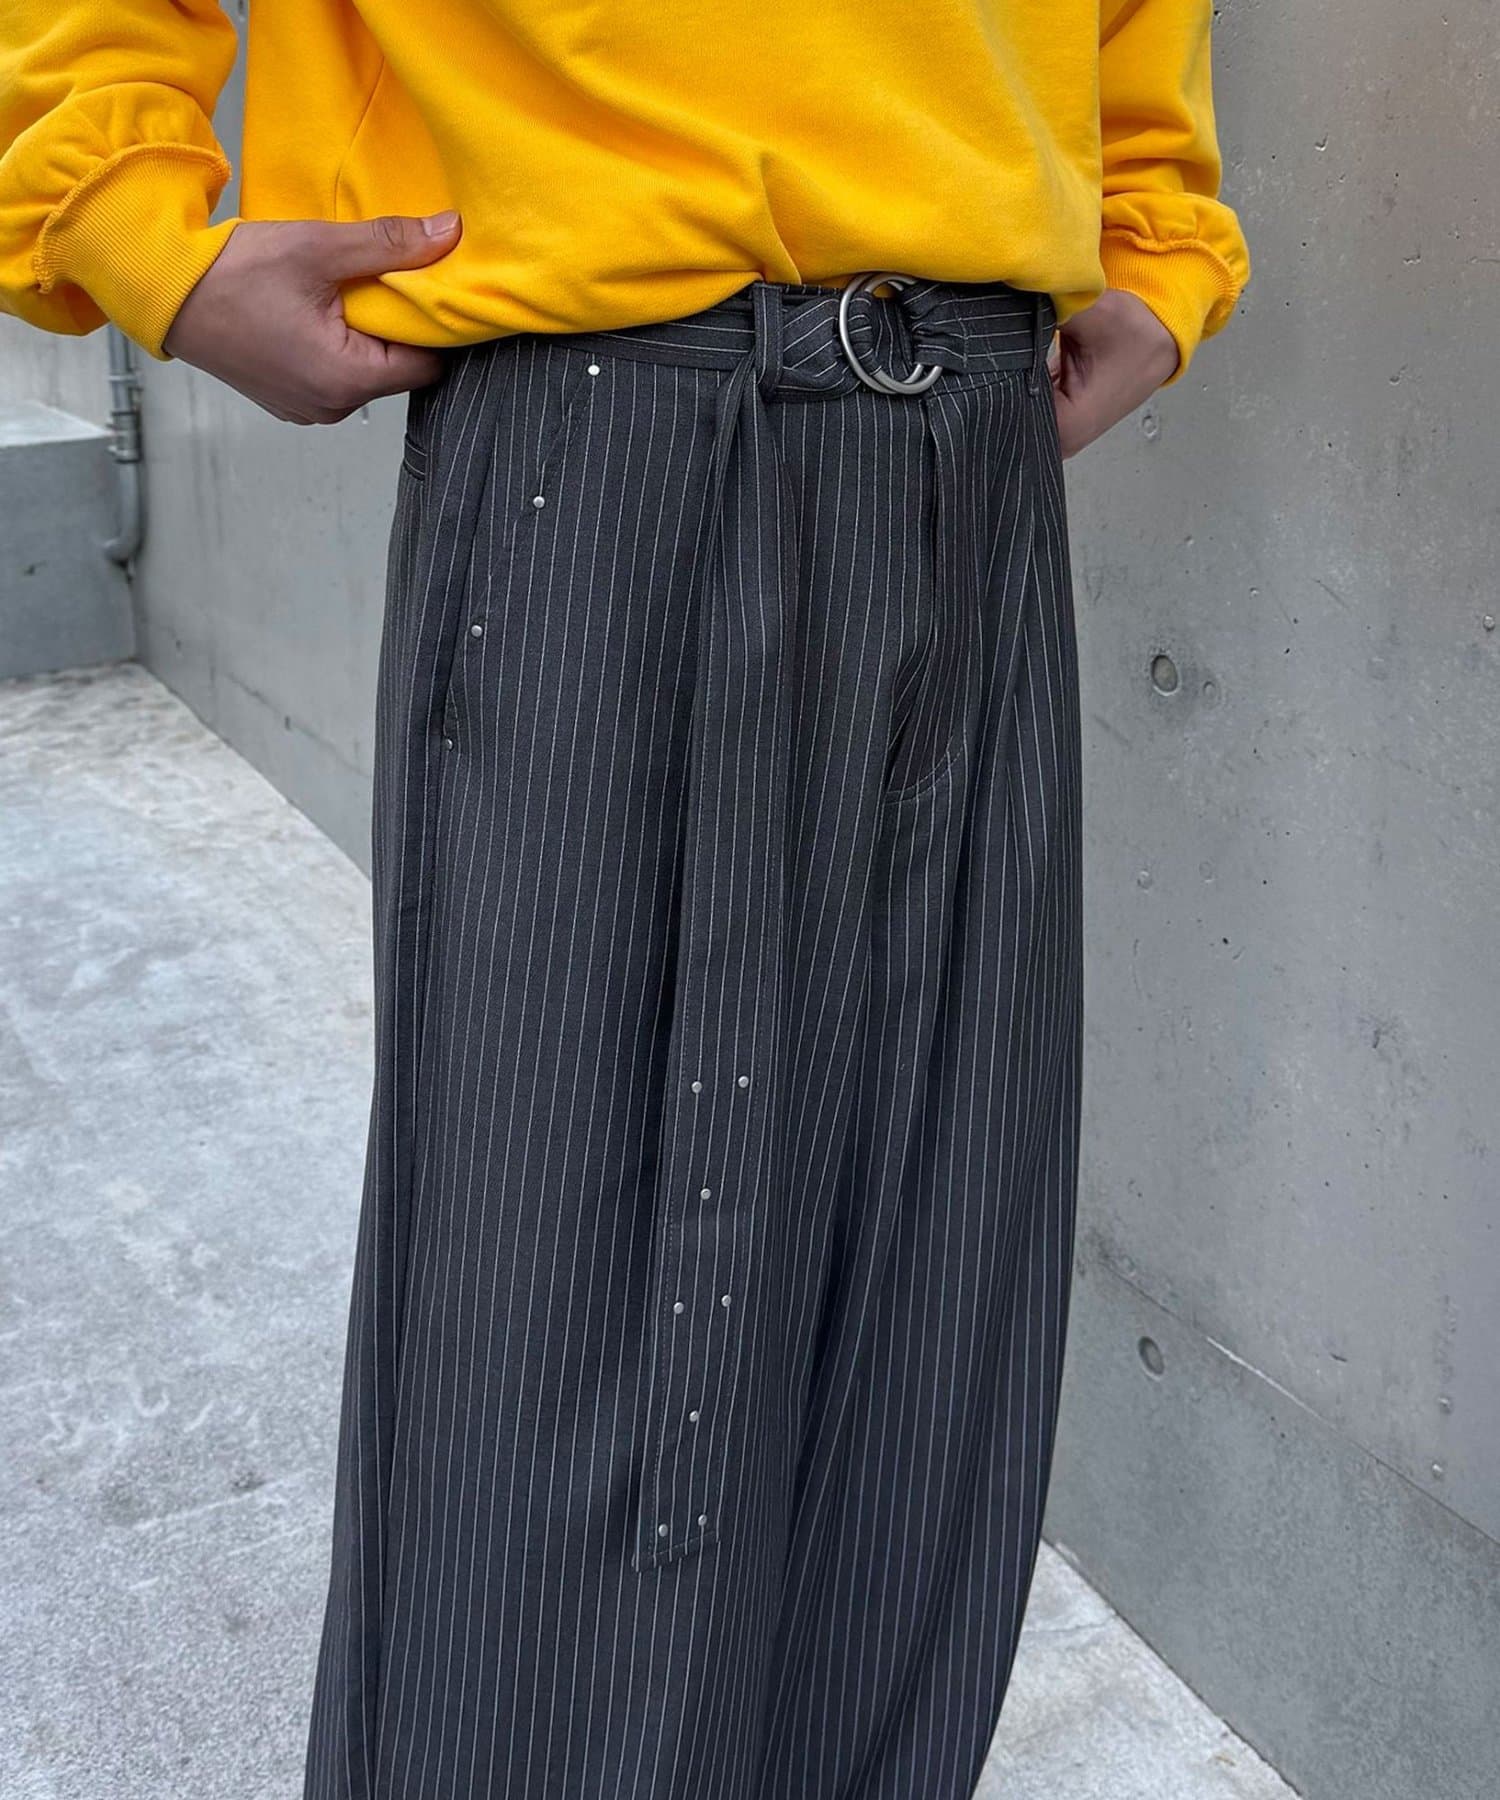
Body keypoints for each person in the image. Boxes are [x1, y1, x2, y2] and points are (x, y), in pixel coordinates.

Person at [0, 5, 1250, 1796]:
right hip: (605, 416)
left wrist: (1155, 241)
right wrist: (134, 229)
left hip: (974, 425)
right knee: (551, 1355)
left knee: (920, 1316)